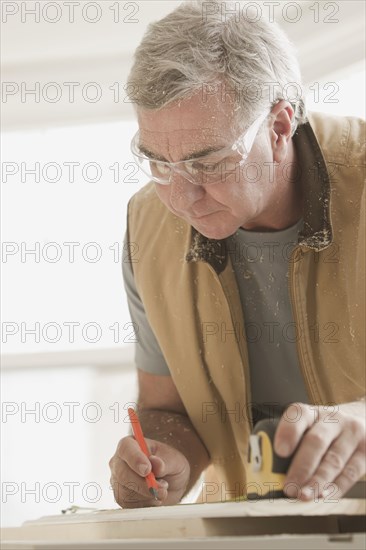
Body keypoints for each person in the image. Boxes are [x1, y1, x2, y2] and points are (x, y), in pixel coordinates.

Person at [109, 0, 365, 508]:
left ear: (279, 125)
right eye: (158, 162)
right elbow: (168, 410)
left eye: (209, 162)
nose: (181, 198)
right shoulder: (148, 225)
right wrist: (165, 456)